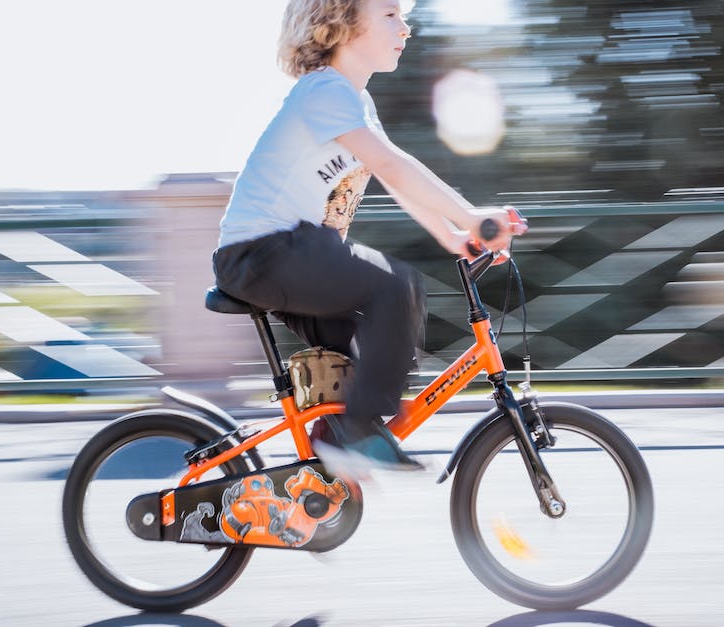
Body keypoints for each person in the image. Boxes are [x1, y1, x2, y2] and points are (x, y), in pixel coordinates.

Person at [212, 0, 514, 478]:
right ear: (343, 22)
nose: (406, 28)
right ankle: (355, 436)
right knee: (396, 286)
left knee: (379, 347)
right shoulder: (323, 92)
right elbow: (394, 166)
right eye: (391, 14)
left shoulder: (355, 102)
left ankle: (329, 455)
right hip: (260, 253)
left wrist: (454, 235)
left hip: (292, 252)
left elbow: (392, 177)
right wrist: (473, 215)